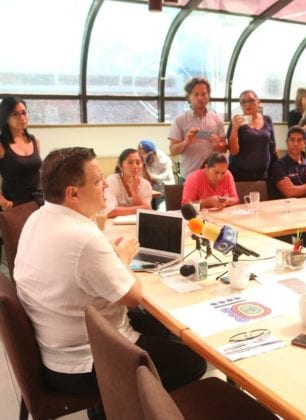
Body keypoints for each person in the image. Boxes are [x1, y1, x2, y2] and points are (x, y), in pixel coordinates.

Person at [14, 147, 206, 404]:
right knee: (193, 362)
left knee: (163, 325)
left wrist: (112, 258)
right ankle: (129, 408)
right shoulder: (83, 238)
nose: (105, 184)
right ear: (73, 193)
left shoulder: (37, 218)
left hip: (56, 346)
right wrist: (123, 260)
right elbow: (133, 297)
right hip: (86, 362)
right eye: (97, 180)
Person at [168, 77, 227, 179]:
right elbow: (173, 151)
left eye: (203, 94)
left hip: (213, 178)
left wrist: (217, 145)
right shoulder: (179, 120)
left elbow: (224, 149)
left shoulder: (217, 119)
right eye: (196, 94)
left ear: (208, 96)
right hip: (189, 176)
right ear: (189, 96)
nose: (200, 98)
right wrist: (186, 142)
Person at [0, 96, 43, 210]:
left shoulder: (34, 140)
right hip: (15, 204)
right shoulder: (1, 144)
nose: (22, 118)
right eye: (15, 114)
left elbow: (38, 173)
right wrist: (3, 202)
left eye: (24, 113)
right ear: (5, 117)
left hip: (39, 201)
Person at [227, 90, 279, 181]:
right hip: (240, 175)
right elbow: (233, 151)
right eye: (243, 102)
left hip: (263, 174)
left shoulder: (267, 119)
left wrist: (279, 167)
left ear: (258, 102)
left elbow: (273, 147)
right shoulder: (236, 122)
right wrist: (235, 128)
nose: (247, 104)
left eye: (251, 100)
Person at [271, 126, 306, 198]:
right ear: (287, 142)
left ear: (305, 143)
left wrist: (296, 190)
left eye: (299, 140)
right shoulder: (279, 165)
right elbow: (289, 192)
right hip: (287, 204)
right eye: (292, 140)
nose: (295, 143)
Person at [105, 148, 152, 218]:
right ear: (121, 166)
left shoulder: (146, 184)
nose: (135, 166)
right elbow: (109, 211)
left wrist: (135, 192)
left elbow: (146, 212)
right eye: (130, 162)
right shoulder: (112, 181)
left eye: (138, 162)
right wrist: (141, 208)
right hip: (113, 223)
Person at [137, 139, 175, 210]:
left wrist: (143, 164)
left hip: (164, 194)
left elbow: (150, 181)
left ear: (153, 153)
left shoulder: (164, 161)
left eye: (146, 157)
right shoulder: (141, 157)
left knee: (159, 213)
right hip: (149, 193)